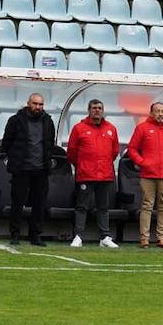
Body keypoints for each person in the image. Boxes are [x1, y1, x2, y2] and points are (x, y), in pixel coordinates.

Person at [126, 101, 163, 248]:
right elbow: (132, 148)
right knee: (147, 206)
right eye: (157, 111)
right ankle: (144, 238)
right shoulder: (142, 128)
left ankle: (161, 238)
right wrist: (142, 162)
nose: (160, 114)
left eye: (162, 111)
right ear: (151, 113)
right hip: (147, 174)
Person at [0, 91, 55, 246]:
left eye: (40, 104)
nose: (38, 107)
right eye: (35, 103)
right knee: (17, 203)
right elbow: (6, 143)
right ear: (28, 103)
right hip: (21, 170)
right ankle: (15, 234)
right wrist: (15, 160)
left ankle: (35, 235)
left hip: (41, 170)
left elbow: (50, 143)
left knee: (39, 204)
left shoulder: (48, 122)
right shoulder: (15, 120)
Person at [66, 99, 119, 248]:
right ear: (89, 110)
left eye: (100, 108)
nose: (97, 110)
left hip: (105, 175)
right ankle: (78, 236)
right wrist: (83, 165)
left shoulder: (111, 129)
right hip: (85, 174)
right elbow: (71, 152)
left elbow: (114, 152)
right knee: (82, 207)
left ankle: (105, 237)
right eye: (94, 108)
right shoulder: (79, 128)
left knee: (103, 207)